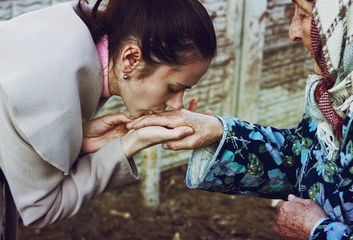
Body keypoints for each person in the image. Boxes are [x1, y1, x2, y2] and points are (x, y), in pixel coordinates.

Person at [127, 0, 353, 239]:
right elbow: (302, 159)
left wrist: (319, 231)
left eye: (305, 15)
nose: (292, 32)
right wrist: (218, 133)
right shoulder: (334, 96)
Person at [0, 0, 216, 239]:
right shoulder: (47, 85)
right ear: (131, 58)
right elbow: (42, 209)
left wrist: (78, 139)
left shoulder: (75, 34)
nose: (178, 104)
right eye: (173, 88)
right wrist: (129, 145)